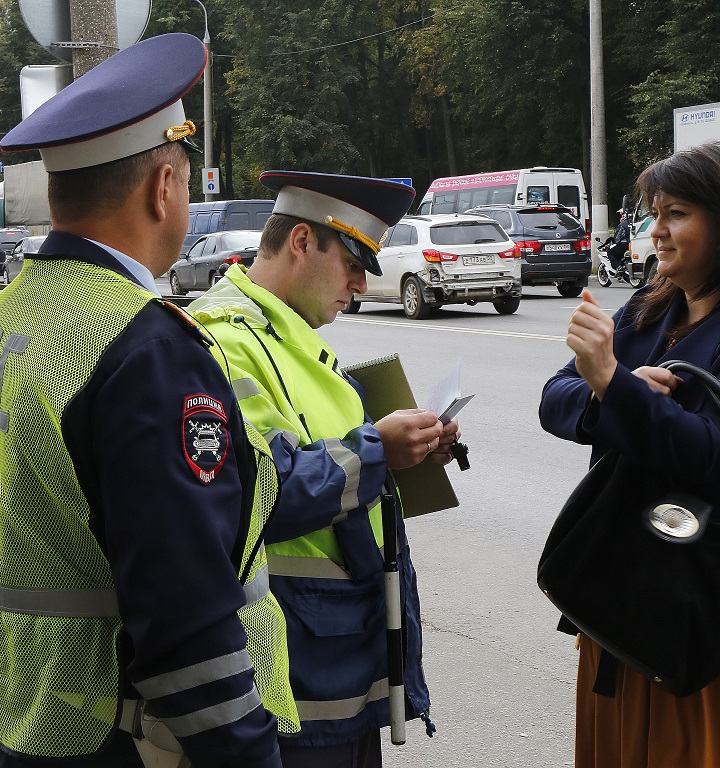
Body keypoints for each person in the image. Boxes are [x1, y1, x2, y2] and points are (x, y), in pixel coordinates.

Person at [0, 33, 297, 768]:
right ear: (162, 186)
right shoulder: (143, 348)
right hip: (123, 738)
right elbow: (184, 613)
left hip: (19, 718)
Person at [539, 140, 720, 767]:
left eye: (677, 214)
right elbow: (555, 399)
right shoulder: (650, 306)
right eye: (653, 212)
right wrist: (614, 390)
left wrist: (615, 386)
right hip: (632, 581)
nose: (656, 231)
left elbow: (715, 456)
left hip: (719, 599)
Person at [188, 171, 459, 767]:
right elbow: (259, 493)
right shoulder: (225, 341)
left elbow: (332, 468)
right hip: (295, 677)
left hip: (337, 660)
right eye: (353, 263)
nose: (360, 286)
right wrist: (376, 450)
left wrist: (406, 454)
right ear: (302, 242)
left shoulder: (293, 338)